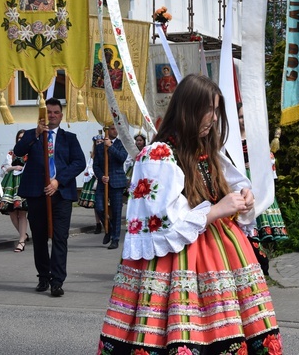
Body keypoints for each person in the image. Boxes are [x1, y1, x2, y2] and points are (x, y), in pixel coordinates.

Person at [98, 74, 282, 354]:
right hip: (177, 256)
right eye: (209, 110)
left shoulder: (209, 151)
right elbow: (161, 221)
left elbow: (234, 184)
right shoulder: (158, 155)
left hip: (221, 253)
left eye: (216, 110)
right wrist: (218, 209)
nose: (214, 119)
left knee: (230, 327)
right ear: (189, 109)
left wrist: (244, 198)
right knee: (177, 327)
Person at [14, 98, 86, 297]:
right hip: (37, 193)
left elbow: (79, 162)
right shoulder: (32, 135)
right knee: (39, 237)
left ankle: (57, 280)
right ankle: (43, 276)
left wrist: (58, 181)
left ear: (61, 116)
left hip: (60, 194)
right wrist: (36, 133)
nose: (52, 116)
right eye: (49, 113)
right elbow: (18, 152)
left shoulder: (69, 138)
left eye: (56, 112)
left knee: (60, 238)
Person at [237, 103, 288, 276]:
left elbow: (267, 159)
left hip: (256, 182)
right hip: (241, 182)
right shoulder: (232, 139)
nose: (243, 121)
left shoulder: (256, 138)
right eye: (240, 116)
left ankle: (263, 261)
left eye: (245, 116)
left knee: (259, 223)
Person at [93, 123, 128, 250]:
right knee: (99, 207)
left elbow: (122, 158)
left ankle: (115, 239)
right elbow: (95, 165)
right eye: (112, 129)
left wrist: (110, 146)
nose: (115, 131)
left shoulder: (120, 144)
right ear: (107, 130)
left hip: (117, 181)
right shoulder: (99, 146)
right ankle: (109, 229)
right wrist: (101, 176)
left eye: (116, 129)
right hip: (104, 182)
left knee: (116, 211)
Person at [0, 129, 30, 252]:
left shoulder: (30, 152)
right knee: (11, 211)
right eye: (19, 138)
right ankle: (24, 234)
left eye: (23, 137)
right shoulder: (12, 152)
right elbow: (5, 167)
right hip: (11, 182)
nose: (21, 140)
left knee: (21, 212)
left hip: (24, 181)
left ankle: (21, 241)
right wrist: (15, 167)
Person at [78, 130, 105, 234]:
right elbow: (90, 166)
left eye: (101, 142)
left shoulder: (107, 153)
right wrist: (92, 173)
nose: (99, 144)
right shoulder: (93, 155)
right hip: (95, 179)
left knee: (106, 204)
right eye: (97, 142)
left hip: (104, 179)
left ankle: (107, 222)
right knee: (96, 204)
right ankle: (98, 223)